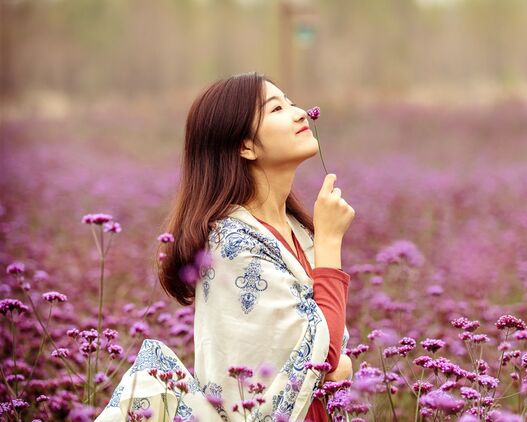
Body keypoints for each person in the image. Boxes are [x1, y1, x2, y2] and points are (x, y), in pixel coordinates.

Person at [96, 72, 355, 421]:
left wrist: (338, 364)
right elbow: (321, 360)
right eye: (277, 109)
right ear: (245, 146)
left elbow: (326, 352)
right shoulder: (233, 246)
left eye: (292, 103)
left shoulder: (297, 232)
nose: (299, 113)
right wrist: (330, 241)